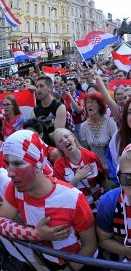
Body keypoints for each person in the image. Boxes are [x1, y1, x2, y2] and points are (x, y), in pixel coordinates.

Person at [0, 130, 97, 270]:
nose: (9, 173)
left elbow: (90, 246)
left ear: (37, 165)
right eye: (7, 163)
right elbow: (2, 222)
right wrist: (36, 234)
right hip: (48, 262)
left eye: (18, 163)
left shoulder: (73, 198)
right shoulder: (14, 189)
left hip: (82, 266)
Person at [53, 128, 106, 213]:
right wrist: (76, 179)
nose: (65, 141)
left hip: (100, 202)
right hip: (81, 209)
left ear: (73, 137)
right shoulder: (59, 166)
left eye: (66, 136)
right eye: (60, 141)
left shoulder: (91, 156)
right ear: (59, 147)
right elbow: (62, 194)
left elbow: (103, 180)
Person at [80, 92, 118, 169]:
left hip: (111, 166)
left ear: (100, 105)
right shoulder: (84, 126)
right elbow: (86, 151)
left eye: (94, 102)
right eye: (87, 102)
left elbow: (117, 147)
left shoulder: (110, 123)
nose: (90, 105)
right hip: (94, 167)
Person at [31, 75, 67, 146]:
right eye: (37, 86)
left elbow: (58, 134)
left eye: (41, 86)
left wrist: (41, 137)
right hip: (41, 150)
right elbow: (33, 132)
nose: (38, 89)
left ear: (50, 88)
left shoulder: (59, 107)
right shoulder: (35, 110)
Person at [62, 76, 86, 141]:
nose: (69, 86)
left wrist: (70, 97)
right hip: (70, 126)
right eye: (67, 85)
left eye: (71, 84)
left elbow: (79, 110)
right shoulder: (65, 96)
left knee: (82, 145)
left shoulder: (81, 94)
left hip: (80, 125)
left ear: (75, 85)